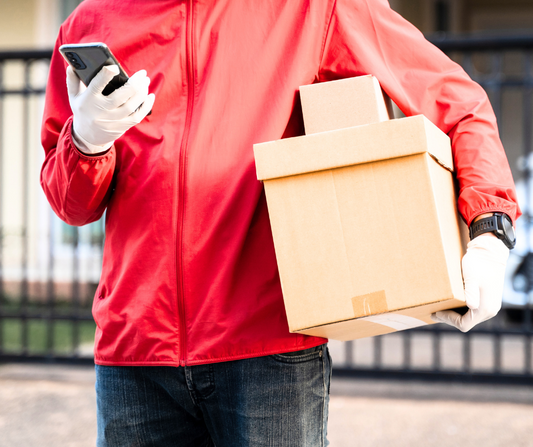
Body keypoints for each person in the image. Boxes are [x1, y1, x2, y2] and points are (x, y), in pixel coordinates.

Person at [40, 0, 520, 445]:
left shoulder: (314, 6)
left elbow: (457, 102)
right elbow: (72, 206)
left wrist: (489, 229)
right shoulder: (91, 22)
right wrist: (87, 140)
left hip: (266, 349)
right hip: (134, 355)